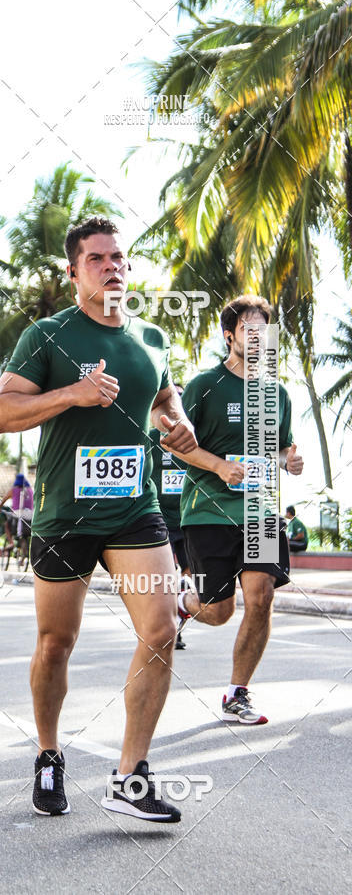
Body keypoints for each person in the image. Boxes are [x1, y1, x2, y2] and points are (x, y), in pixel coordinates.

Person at [0, 216, 197, 822]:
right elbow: (0, 414)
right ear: (75, 272)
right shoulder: (48, 337)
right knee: (57, 643)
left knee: (161, 630)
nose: (112, 267)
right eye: (98, 259)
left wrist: (175, 421)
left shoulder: (152, 337)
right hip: (64, 515)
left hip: (136, 509)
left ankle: (131, 777)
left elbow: (161, 396)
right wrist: (70, 396)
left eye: (119, 258)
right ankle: (49, 753)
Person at [170, 296, 304, 724]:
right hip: (207, 511)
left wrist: (290, 460)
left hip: (261, 510)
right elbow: (176, 448)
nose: (258, 337)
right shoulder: (203, 386)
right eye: (249, 329)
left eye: (263, 330)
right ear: (229, 337)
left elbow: (282, 448)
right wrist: (220, 467)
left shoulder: (277, 393)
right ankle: (185, 604)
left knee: (261, 597)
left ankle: (236, 694)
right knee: (219, 610)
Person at [148, 385, 190, 650]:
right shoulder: (149, 437)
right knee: (164, 578)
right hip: (158, 518)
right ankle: (166, 629)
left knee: (191, 577)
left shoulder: (193, 437)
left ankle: (178, 624)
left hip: (188, 519)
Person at [0, 474, 34, 545]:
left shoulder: (13, 490)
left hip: (18, 514)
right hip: (30, 515)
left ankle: (11, 543)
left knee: (7, 525)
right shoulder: (30, 490)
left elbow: (4, 500)